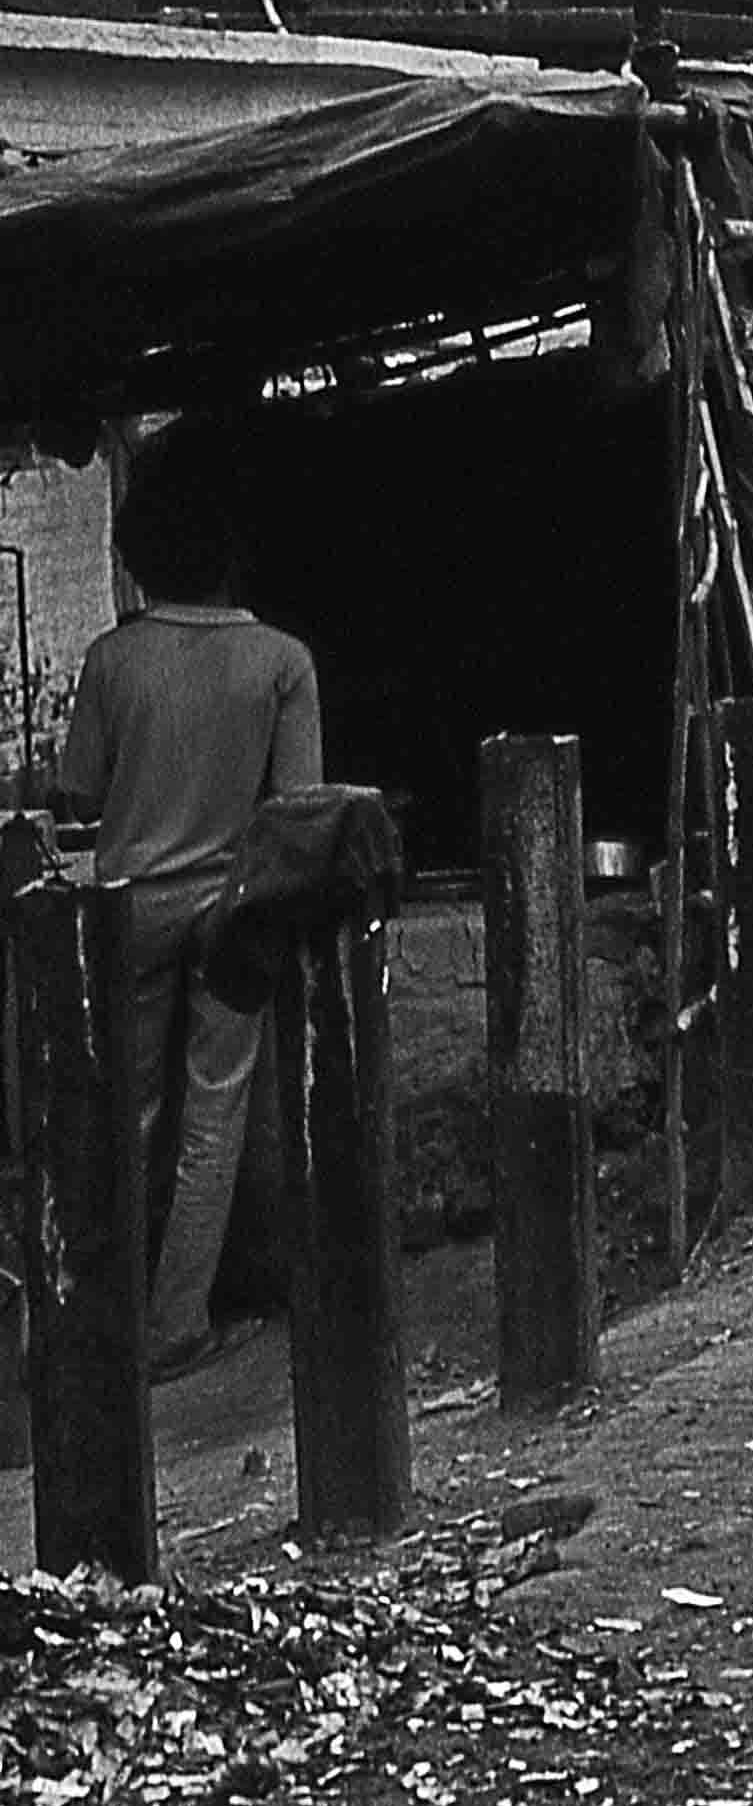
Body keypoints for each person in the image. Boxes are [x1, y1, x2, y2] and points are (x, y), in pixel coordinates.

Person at [54, 459, 321, 1378]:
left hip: (125, 915)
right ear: (231, 555)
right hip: (229, 916)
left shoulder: (109, 660)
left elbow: (77, 789)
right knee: (215, 1115)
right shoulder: (283, 661)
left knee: (126, 1117)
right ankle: (175, 1327)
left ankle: (98, 1321)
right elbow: (299, 808)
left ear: (139, 560)